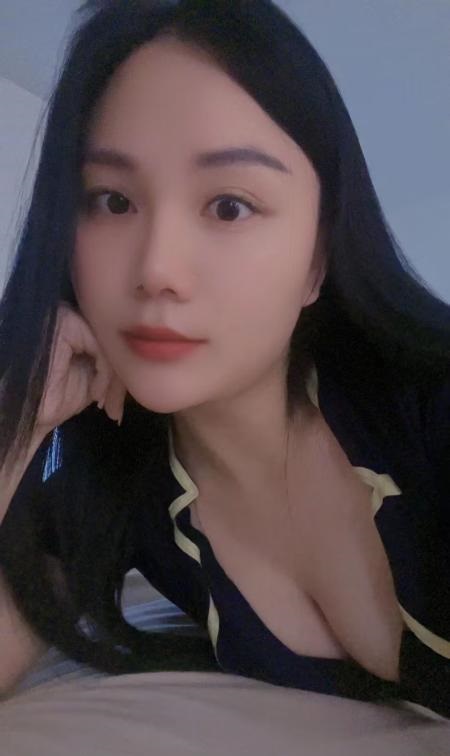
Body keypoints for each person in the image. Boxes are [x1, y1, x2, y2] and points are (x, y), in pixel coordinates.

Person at [0, 0, 449, 716]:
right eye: (112, 201)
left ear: (318, 258)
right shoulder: (113, 489)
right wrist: (18, 413)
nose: (157, 270)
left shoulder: (427, 406)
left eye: (230, 206)